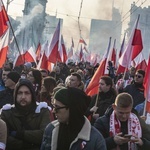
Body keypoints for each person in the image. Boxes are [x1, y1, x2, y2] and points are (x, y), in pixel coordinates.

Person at [41, 87, 107, 150]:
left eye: (57, 107)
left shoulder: (95, 139)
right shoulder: (51, 129)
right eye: (53, 106)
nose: (54, 111)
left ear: (73, 109)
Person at [1, 79, 51, 150]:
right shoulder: (6, 113)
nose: (23, 97)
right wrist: (28, 145)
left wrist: (19, 134)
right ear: (15, 95)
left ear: (32, 95)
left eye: (27, 93)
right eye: (20, 93)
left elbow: (44, 134)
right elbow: (4, 137)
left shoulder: (42, 111)